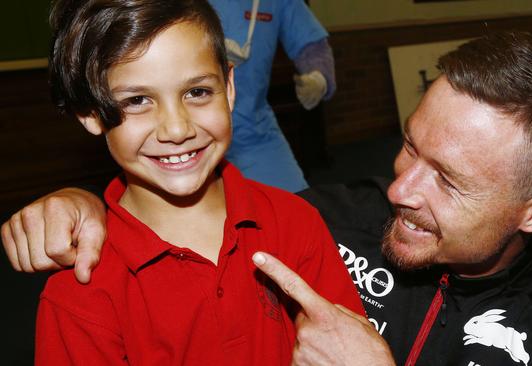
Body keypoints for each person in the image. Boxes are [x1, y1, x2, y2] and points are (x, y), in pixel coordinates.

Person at [2, 32, 532, 365]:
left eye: (450, 180)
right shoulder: (322, 218)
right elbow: (194, 205)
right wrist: (84, 202)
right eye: (410, 146)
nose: (399, 190)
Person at [29, 0, 363, 364]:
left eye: (197, 92)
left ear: (229, 87)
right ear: (90, 114)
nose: (177, 128)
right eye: (138, 100)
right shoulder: (80, 290)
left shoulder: (297, 222)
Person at [214, 0, 336, 192]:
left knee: (297, 208)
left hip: (254, 131)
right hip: (190, 132)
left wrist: (319, 76)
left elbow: (312, 44)